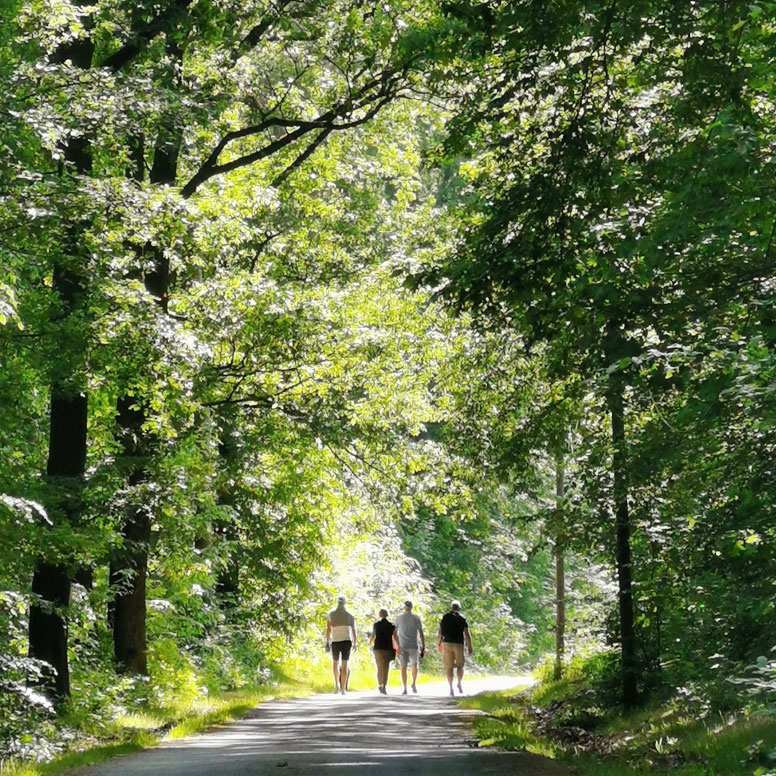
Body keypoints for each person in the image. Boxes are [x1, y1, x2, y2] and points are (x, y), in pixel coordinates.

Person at [437, 599, 473, 697]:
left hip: (447, 643)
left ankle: (451, 688)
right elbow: (466, 633)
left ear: (451, 608)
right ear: (459, 608)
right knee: (460, 666)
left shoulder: (445, 617)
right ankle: (459, 683)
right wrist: (470, 645)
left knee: (449, 667)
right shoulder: (462, 619)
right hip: (458, 645)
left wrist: (439, 644)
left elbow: (440, 632)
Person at [325, 594, 357, 695]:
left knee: (335, 663)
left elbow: (328, 630)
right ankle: (343, 689)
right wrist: (355, 643)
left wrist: (327, 641)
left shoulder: (331, 615)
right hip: (346, 641)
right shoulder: (350, 616)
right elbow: (353, 630)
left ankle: (336, 686)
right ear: (345, 603)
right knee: (344, 664)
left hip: (335, 641)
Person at [394, 600, 426, 694]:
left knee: (403, 667)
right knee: (414, 665)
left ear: (404, 607)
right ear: (412, 607)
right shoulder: (416, 618)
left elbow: (394, 633)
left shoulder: (399, 618)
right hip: (414, 645)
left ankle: (404, 688)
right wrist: (423, 646)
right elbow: (421, 633)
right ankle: (414, 683)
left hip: (402, 645)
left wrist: (396, 645)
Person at [368, 608, 400, 694]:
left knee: (379, 667)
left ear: (380, 615)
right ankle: (384, 686)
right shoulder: (392, 626)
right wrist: (398, 647)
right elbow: (395, 637)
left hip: (378, 648)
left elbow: (373, 634)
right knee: (386, 667)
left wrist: (369, 642)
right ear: (387, 615)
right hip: (388, 648)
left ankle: (380, 684)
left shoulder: (376, 625)